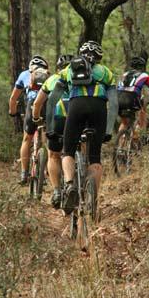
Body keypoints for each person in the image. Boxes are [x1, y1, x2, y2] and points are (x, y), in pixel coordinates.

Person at [47, 40, 119, 214]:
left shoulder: (67, 70)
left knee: (68, 151)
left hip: (76, 107)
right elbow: (114, 103)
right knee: (95, 157)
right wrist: (108, 130)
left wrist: (50, 127)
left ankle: (70, 184)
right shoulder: (106, 73)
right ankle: (92, 199)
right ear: (99, 57)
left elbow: (52, 101)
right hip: (98, 110)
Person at [32, 54, 74, 209]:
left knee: (53, 155)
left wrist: (36, 118)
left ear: (57, 69)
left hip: (57, 120)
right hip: (77, 118)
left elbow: (37, 104)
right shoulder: (80, 78)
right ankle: (78, 178)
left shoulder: (52, 79)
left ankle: (56, 191)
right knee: (77, 149)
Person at [9, 55, 49, 184]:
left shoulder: (24, 74)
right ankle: (45, 172)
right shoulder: (49, 75)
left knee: (27, 139)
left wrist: (13, 112)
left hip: (32, 105)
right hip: (46, 104)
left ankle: (24, 173)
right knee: (47, 137)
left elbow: (13, 99)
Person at [117, 55, 149, 132]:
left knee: (124, 124)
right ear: (143, 67)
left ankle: (119, 143)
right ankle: (140, 127)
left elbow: (118, 88)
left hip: (119, 99)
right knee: (143, 103)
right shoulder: (145, 76)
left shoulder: (124, 74)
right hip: (132, 99)